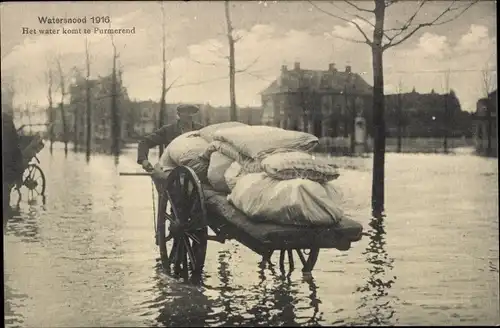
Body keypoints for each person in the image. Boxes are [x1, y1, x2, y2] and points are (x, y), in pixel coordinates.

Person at [137, 104, 204, 178]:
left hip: (196, 171)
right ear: (179, 114)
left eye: (192, 112)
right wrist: (144, 161)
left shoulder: (201, 130)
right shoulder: (168, 130)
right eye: (185, 112)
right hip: (172, 172)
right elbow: (144, 142)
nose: (189, 115)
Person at [2, 110, 23, 225]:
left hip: (8, 173)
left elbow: (17, 156)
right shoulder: (11, 133)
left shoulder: (11, 137)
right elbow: (18, 156)